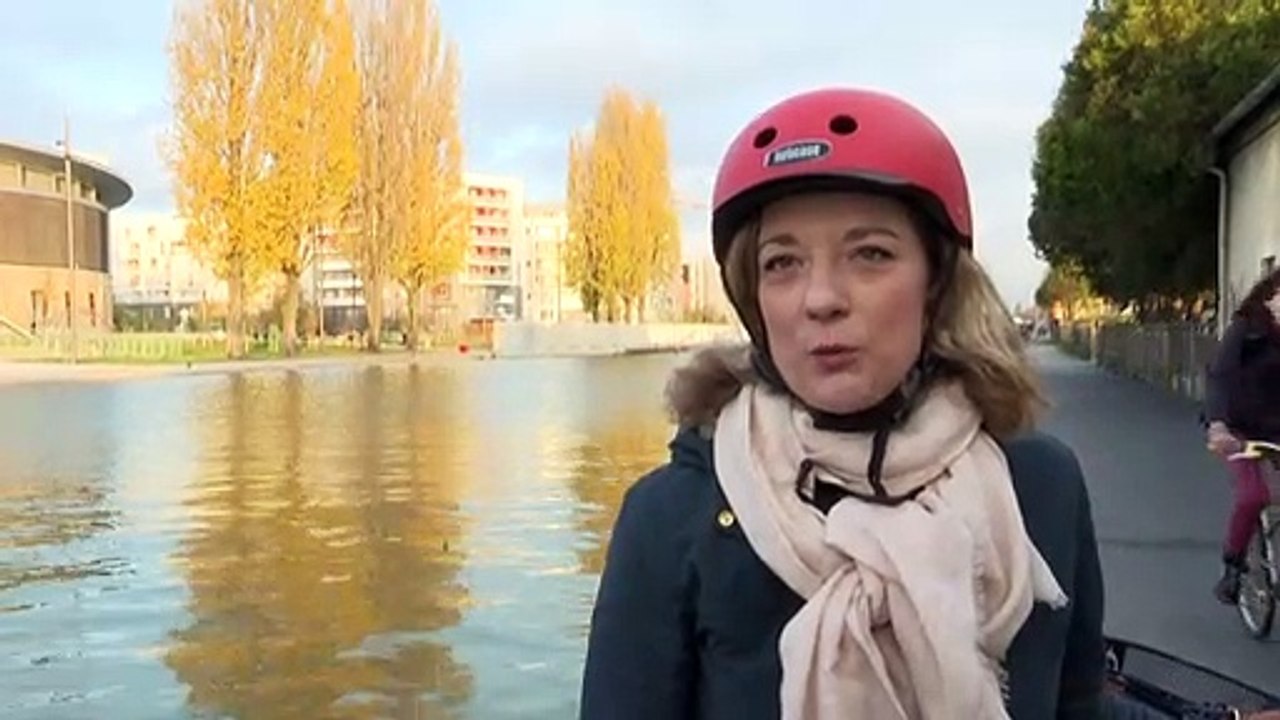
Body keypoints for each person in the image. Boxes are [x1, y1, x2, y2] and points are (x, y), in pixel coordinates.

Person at [579, 87, 1106, 719]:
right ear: (754, 299)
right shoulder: (672, 517)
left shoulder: (1040, 484)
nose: (821, 298)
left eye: (870, 255)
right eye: (783, 263)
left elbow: (1078, 707)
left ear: (937, 281)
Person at [1204, 267, 1280, 605]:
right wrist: (1218, 424)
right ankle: (1233, 568)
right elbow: (1220, 376)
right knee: (1252, 496)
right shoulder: (1246, 330)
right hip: (1238, 427)